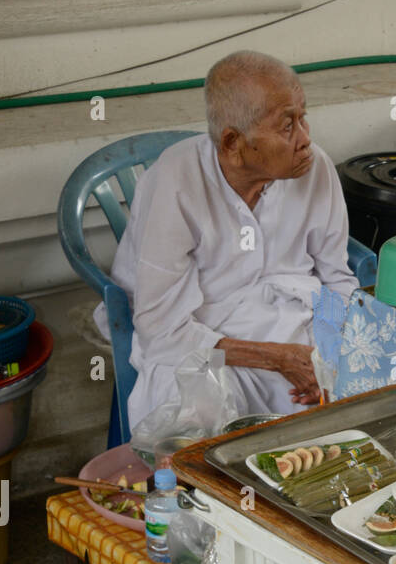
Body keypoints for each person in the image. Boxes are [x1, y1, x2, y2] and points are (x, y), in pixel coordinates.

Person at [104, 51, 359, 430]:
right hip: (197, 335)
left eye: (303, 117)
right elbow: (160, 328)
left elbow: (337, 280)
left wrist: (324, 357)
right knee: (197, 420)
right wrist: (276, 358)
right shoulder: (175, 184)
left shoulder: (315, 167)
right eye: (287, 126)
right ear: (232, 142)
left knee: (350, 403)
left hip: (294, 325)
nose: (306, 139)